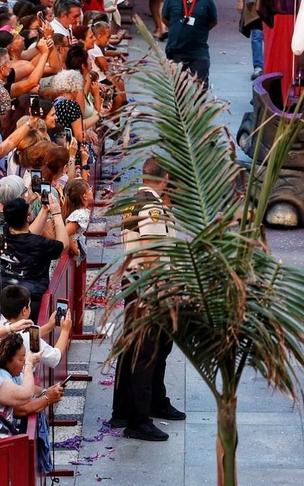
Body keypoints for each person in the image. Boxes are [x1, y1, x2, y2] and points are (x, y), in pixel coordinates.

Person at [112, 159, 184, 441]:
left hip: (136, 283)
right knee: (146, 351)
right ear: (165, 177)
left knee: (144, 347)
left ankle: (136, 406)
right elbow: (150, 251)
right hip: (149, 287)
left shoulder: (134, 201)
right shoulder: (152, 206)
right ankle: (138, 419)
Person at [0, 195, 68, 303]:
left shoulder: (5, 232)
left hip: (1, 290)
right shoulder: (39, 243)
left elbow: (27, 234)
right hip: (28, 297)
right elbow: (64, 245)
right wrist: (57, 214)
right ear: (28, 218)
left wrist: (44, 210)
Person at [161, 0, 216, 83]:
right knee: (178, 87)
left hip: (199, 51)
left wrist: (198, 30)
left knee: (201, 86)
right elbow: (165, 19)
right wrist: (177, 28)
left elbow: (212, 22)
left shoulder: (207, 1)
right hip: (176, 51)